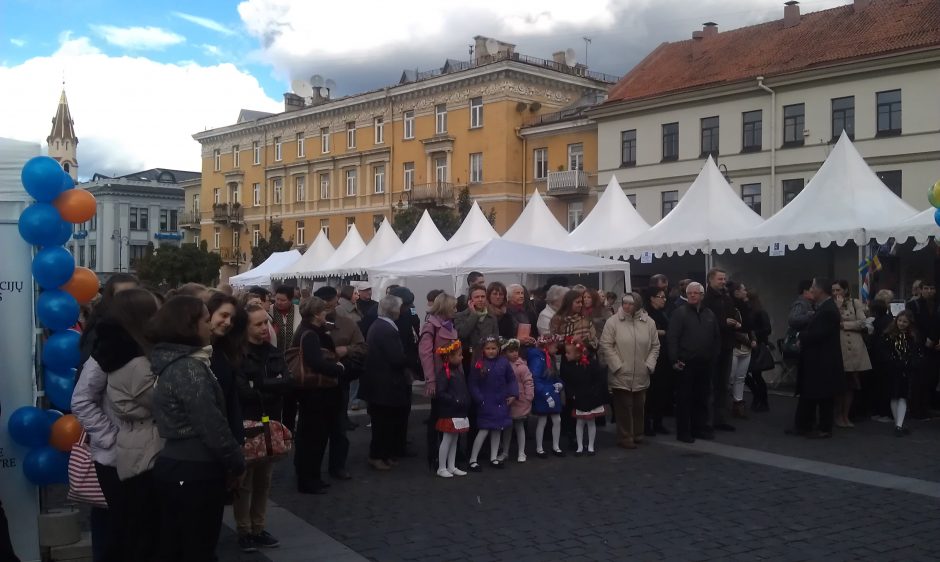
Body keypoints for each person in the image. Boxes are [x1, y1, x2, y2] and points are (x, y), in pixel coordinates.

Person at [149, 296, 246, 562]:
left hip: (181, 466)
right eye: (205, 320)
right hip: (193, 470)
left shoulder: (179, 362)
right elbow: (211, 424)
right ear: (189, 326)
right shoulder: (189, 368)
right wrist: (237, 463)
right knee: (196, 546)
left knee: (179, 544)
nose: (210, 326)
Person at [73, 288, 152, 562]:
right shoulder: (107, 352)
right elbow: (81, 400)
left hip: (144, 452)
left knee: (140, 530)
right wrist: (109, 437)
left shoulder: (147, 348)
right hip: (114, 456)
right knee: (124, 530)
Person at [101, 289, 161, 562]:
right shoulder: (136, 363)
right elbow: (163, 402)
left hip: (134, 444)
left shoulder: (121, 354)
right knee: (145, 530)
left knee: (139, 527)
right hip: (144, 447)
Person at [233, 304, 290, 552]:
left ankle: (258, 527)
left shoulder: (274, 352)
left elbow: (287, 382)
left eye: (265, 323)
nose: (264, 328)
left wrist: (261, 385)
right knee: (244, 482)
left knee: (264, 481)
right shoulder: (238, 355)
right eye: (258, 324)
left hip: (270, 421)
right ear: (245, 328)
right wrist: (271, 385)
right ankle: (244, 530)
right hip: (247, 422)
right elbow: (243, 392)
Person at [292, 297, 347, 493]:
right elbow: (316, 362)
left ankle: (313, 476)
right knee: (312, 438)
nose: (326, 313)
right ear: (316, 314)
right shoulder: (310, 334)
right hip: (315, 393)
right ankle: (308, 480)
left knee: (316, 437)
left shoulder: (313, 331)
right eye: (324, 311)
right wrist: (338, 368)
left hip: (319, 393)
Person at [599, 293, 660, 449]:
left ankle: (638, 433)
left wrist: (649, 364)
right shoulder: (613, 322)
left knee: (639, 405)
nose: (627, 306)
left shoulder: (649, 323)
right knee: (624, 406)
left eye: (630, 304)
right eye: (624, 303)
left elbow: (655, 345)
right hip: (621, 372)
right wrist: (617, 365)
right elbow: (606, 344)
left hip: (641, 371)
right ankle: (625, 436)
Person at [362, 295, 411, 471]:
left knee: (386, 423)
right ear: (394, 310)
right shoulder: (385, 329)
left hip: (382, 383)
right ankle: (377, 456)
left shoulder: (380, 325)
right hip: (384, 384)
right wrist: (409, 360)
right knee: (382, 424)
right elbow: (396, 358)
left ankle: (384, 454)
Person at [789, 279, 843, 438]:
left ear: (821, 290)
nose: (811, 290)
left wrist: (801, 336)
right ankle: (806, 425)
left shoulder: (828, 310)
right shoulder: (824, 308)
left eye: (813, 287)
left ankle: (822, 428)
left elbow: (819, 333)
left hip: (821, 361)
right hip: (817, 360)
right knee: (814, 395)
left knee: (822, 396)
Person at [667, 282, 720, 443]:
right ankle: (684, 432)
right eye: (690, 293)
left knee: (702, 398)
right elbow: (672, 337)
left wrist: (714, 357)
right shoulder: (680, 313)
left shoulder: (709, 314)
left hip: (704, 363)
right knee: (684, 399)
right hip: (686, 363)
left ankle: (699, 428)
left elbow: (716, 337)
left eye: (696, 293)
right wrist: (674, 359)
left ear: (702, 295)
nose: (692, 295)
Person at [315, 286, 368, 440]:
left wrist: (347, 349)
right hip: (315, 381)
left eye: (329, 302)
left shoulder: (347, 323)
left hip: (341, 377)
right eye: (322, 303)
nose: (326, 306)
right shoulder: (309, 324)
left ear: (336, 300)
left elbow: (363, 347)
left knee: (339, 430)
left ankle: (342, 423)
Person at [418, 293, 460, 470]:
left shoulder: (450, 325)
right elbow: (425, 354)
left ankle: (447, 456)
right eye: (454, 307)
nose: (456, 310)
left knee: (448, 416)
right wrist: (431, 380)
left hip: (453, 377)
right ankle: (434, 455)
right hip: (440, 377)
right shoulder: (431, 326)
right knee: (436, 417)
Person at [467, 336, 518, 471]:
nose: (491, 351)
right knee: (483, 430)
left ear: (498, 349)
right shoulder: (479, 363)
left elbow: (511, 379)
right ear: (483, 350)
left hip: (500, 400)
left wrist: (513, 394)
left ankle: (493, 457)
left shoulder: (503, 362)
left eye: (494, 348)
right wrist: (479, 398)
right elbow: (473, 384)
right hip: (486, 401)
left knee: (497, 429)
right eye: (488, 348)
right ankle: (473, 459)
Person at [207, 293, 246, 446]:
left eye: (232, 318)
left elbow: (231, 401)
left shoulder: (224, 352)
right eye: (224, 315)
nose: (228, 322)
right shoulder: (197, 353)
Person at [702, 268, 738, 432]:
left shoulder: (727, 297)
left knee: (723, 384)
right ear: (711, 280)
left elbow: (734, 315)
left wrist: (736, 322)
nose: (723, 282)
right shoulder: (706, 298)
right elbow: (706, 322)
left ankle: (719, 418)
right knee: (711, 384)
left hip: (727, 344)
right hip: (712, 347)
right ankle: (707, 419)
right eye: (720, 279)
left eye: (724, 279)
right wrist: (724, 322)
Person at [832, 280, 871, 428]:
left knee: (851, 384)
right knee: (839, 384)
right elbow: (831, 322)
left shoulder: (855, 303)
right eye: (833, 290)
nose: (836, 293)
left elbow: (862, 322)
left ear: (845, 290)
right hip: (839, 347)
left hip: (855, 347)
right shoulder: (832, 305)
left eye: (838, 290)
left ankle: (846, 415)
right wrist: (837, 308)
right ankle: (837, 415)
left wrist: (845, 325)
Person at [560, 339, 608, 456]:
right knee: (579, 422)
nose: (565, 355)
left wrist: (595, 392)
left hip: (591, 398)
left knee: (591, 422)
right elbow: (568, 382)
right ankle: (580, 446)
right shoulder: (569, 367)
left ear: (577, 353)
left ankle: (591, 446)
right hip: (578, 398)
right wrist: (572, 394)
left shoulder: (591, 363)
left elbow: (599, 379)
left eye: (568, 353)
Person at [881, 310, 921, 437]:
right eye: (900, 320)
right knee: (894, 395)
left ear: (909, 323)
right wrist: (893, 361)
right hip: (892, 369)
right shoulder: (888, 335)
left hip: (906, 369)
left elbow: (916, 352)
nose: (902, 323)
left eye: (905, 321)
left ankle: (899, 424)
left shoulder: (912, 336)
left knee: (903, 395)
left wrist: (911, 363)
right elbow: (884, 352)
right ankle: (897, 424)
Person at [433, 341, 470, 478]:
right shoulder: (445, 374)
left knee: (454, 439)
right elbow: (440, 393)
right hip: (450, 411)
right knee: (447, 439)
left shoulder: (457, 372)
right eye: (459, 355)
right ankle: (442, 467)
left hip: (458, 410)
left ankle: (451, 465)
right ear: (449, 357)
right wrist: (455, 400)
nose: (462, 357)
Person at [905, 281, 939, 419]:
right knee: (918, 379)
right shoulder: (913, 304)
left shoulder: (938, 304)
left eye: (932, 288)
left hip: (936, 346)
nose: (929, 291)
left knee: (932, 378)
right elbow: (911, 324)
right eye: (926, 288)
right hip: (919, 346)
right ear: (920, 290)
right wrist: (924, 339)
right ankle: (916, 410)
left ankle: (927, 407)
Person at [498, 339, 534, 463]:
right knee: (507, 428)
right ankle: (505, 452)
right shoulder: (502, 365)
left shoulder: (522, 366)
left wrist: (529, 396)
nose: (514, 354)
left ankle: (521, 452)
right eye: (511, 351)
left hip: (520, 400)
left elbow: (528, 382)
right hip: (507, 400)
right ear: (504, 353)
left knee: (519, 426)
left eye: (516, 351)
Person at [643, 287, 673, 435]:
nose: (663, 299)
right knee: (651, 392)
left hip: (664, 356)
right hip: (651, 356)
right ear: (652, 298)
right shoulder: (646, 314)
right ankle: (647, 423)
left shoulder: (663, 313)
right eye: (660, 296)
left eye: (664, 297)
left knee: (661, 391)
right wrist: (661, 332)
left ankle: (658, 422)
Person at [530, 335, 564, 458]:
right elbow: (536, 379)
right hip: (543, 393)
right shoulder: (538, 358)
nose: (557, 349)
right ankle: (539, 448)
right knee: (542, 420)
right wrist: (546, 395)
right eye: (555, 346)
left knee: (557, 419)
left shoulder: (551, 358)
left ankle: (556, 446)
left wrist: (560, 384)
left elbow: (555, 376)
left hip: (552, 390)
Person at [727, 281, 756, 420]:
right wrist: (749, 341)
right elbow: (731, 330)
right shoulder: (730, 307)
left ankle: (738, 404)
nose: (746, 292)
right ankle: (723, 404)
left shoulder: (747, 307)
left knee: (740, 377)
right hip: (735, 345)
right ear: (736, 292)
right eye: (743, 289)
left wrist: (753, 338)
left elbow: (750, 326)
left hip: (746, 346)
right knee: (730, 377)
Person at [455, 285, 499, 371]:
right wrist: (473, 315)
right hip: (468, 358)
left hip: (487, 357)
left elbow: (495, 338)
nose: (480, 299)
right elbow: (462, 334)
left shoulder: (491, 317)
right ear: (470, 300)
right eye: (477, 297)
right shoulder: (460, 316)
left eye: (483, 297)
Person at [866, 299, 895, 422]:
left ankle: (884, 412)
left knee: (881, 386)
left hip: (879, 357)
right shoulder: (889, 320)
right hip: (887, 357)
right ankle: (884, 412)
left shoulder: (877, 322)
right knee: (885, 386)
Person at [745, 290, 772, 412]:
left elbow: (767, 329)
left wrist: (755, 335)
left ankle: (762, 400)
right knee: (749, 375)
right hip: (751, 345)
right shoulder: (751, 311)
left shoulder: (760, 312)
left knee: (756, 375)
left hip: (757, 346)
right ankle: (759, 398)